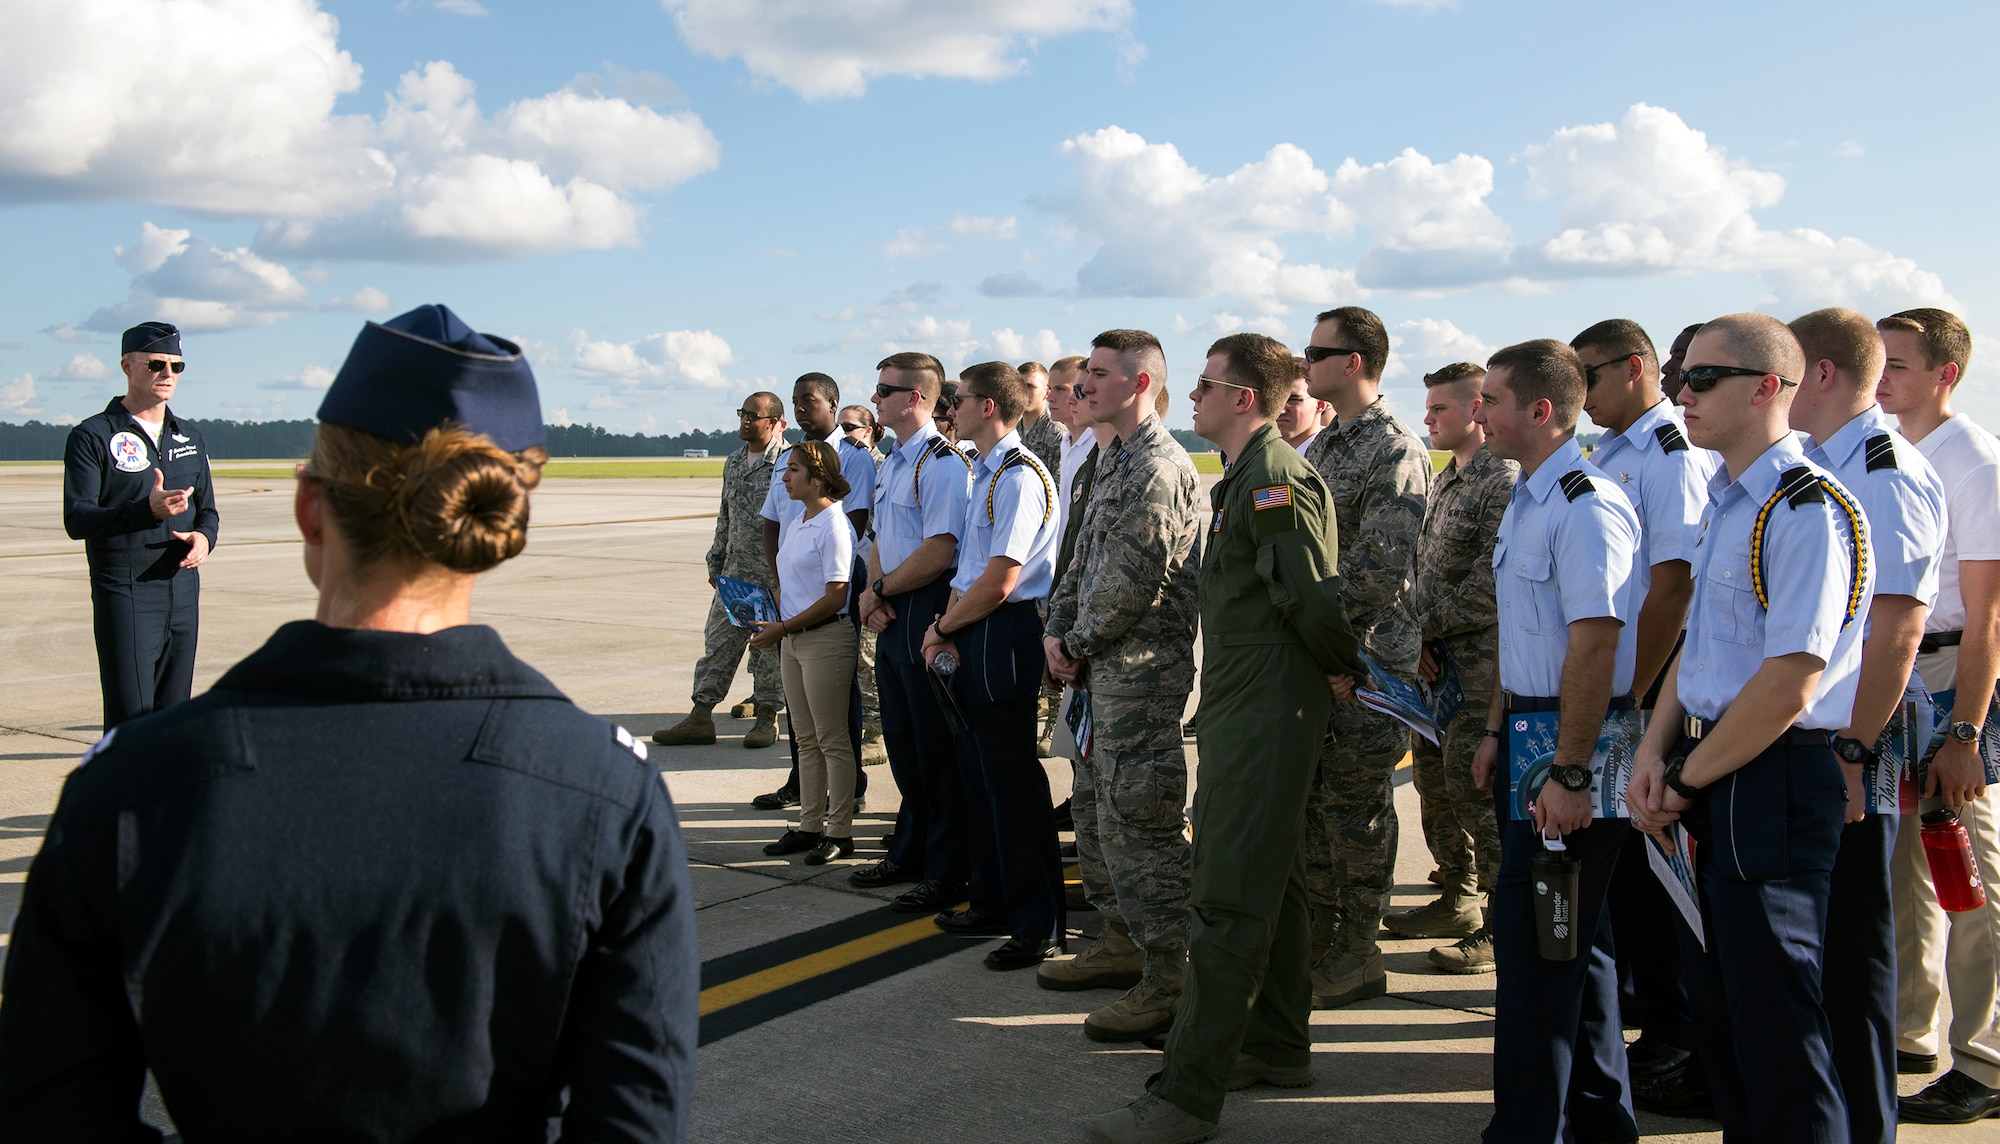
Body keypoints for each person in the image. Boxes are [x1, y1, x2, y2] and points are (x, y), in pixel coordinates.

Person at [0, 304, 698, 1138]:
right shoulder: (607, 793)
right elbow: (636, 1123)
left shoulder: (126, 788)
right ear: (500, 531)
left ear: (309, 508)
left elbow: (49, 1115)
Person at [1084, 333, 1367, 1144]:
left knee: (1228, 899)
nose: (1195, 398)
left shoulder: (1275, 480)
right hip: (1249, 703)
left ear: (1244, 399)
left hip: (1272, 709)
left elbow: (1314, 598)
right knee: (1272, 885)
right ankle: (1277, 1043)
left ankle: (1185, 1093)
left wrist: (1343, 668)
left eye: (1207, 386)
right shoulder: (1247, 477)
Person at [1627, 312, 1874, 1143]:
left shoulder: (1806, 509)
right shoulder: (1731, 501)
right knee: (1723, 1021)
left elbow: (1790, 681)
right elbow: (1698, 650)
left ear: (1768, 388)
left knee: (1778, 1030)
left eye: (1700, 379)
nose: (1680, 395)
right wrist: (1656, 754)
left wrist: (1690, 777)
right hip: (1706, 766)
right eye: (1678, 378)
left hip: (1766, 775)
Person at [1467, 339, 1643, 1144]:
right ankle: (1599, 1119)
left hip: (1575, 735)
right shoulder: (1530, 496)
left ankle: (1531, 1130)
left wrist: (1571, 771)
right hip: (1533, 726)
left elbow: (1595, 643)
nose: (1480, 414)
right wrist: (1499, 729)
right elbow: (1524, 633)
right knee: (1579, 943)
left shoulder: (1584, 502)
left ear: (1540, 412)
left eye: (1492, 401)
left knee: (1539, 950)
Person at [1789, 307, 1947, 1143]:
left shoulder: (1883, 471)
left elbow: (1896, 631)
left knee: (1853, 951)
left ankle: (1863, 1126)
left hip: (1857, 735)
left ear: (1819, 373)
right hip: (1818, 734)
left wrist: (1854, 750)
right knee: (1814, 953)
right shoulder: (1818, 461)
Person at [1570, 318, 1718, 1107]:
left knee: (1661, 868)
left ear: (1635, 368)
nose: (1580, 393)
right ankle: (1656, 1018)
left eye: (1588, 375)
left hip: (1653, 693)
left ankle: (1678, 1031)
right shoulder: (1616, 453)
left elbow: (1672, 586)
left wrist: (1636, 692)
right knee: (1627, 870)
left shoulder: (1670, 454)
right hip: (1625, 691)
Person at [1041, 329, 1202, 1042]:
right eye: (1084, 379)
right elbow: (1077, 562)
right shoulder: (1110, 461)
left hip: (1136, 678)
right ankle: (1120, 940)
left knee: (1142, 826)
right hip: (1094, 672)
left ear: (1139, 384)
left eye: (1098, 377)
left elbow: (1129, 585)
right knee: (1096, 815)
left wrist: (1073, 643)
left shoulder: (1158, 469)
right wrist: (1057, 630)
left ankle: (1173, 977)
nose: (1083, 390)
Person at [1877, 307, 2000, 1124]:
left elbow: (1989, 614)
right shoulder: (1893, 452)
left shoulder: (1973, 460)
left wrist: (1966, 731)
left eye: (1899, 365)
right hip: (1903, 671)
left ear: (1945, 374)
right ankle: (1912, 1030)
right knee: (1906, 866)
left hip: (1957, 669)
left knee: (1973, 873)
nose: (1882, 379)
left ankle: (1985, 1060)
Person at [1300, 305, 1434, 1006]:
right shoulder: (1326, 446)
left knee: (1357, 809)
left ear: (1353, 362)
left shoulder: (1394, 449)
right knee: (1321, 806)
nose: (1304, 365)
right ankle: (1325, 938)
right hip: (1324, 659)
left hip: (1366, 662)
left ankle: (1358, 949)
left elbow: (1378, 570)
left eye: (1315, 353)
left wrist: (1319, 640)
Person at [921, 362, 1065, 970]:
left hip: (1003, 632)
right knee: (978, 776)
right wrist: (944, 630)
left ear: (989, 407)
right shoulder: (985, 470)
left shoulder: (1019, 475)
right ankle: (993, 898)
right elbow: (968, 569)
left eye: (959, 401)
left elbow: (1003, 578)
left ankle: (1037, 923)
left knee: (1010, 782)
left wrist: (941, 627)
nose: (950, 411)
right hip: (969, 627)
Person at [1386, 362, 1514, 974]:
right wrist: (1417, 638)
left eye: (1440, 409)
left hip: (1477, 667)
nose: (1429, 419)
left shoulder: (1502, 479)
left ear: (1476, 411)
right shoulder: (1449, 478)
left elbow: (1492, 582)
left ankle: (1499, 922)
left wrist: (1421, 630)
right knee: (1438, 793)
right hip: (1433, 665)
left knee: (1478, 796)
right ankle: (1457, 897)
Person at [851, 351, 978, 913]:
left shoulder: (941, 463)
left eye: (884, 391)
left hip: (924, 609)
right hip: (892, 609)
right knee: (903, 743)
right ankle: (912, 847)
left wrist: (881, 592)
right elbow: (882, 537)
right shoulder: (893, 461)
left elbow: (941, 548)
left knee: (934, 748)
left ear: (915, 399)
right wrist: (873, 592)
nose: (875, 400)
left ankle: (948, 867)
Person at [62, 321, 219, 730]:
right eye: (156, 364)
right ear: (127, 366)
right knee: (131, 723)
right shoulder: (93, 436)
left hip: (183, 593)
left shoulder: (190, 436)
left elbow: (209, 512)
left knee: (174, 721)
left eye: (176, 366)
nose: (168, 374)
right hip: (127, 592)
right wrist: (144, 511)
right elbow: (78, 519)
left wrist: (204, 539)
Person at [750, 373, 876, 811]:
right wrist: (782, 578)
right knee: (801, 704)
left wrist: (814, 571)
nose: (801, 408)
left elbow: (853, 521)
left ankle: (848, 788)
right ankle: (802, 785)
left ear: (832, 403)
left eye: (810, 400)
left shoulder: (855, 457)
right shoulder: (790, 458)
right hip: (795, 579)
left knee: (837, 695)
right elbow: (770, 523)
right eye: (796, 401)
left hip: (836, 578)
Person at [654, 392, 789, 748]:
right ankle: (700, 717)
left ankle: (767, 719)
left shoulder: (788, 463)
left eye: (753, 416)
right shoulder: (733, 461)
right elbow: (725, 515)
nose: (745, 420)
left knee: (767, 654)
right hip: (734, 574)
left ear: (774, 423)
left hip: (771, 578)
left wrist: (787, 578)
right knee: (717, 646)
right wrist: (715, 559)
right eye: (742, 413)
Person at [756, 440, 862, 866]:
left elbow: (837, 596)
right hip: (794, 639)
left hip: (824, 639)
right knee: (804, 739)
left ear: (817, 478)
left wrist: (783, 625)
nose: (784, 477)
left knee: (832, 739)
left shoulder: (834, 524)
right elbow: (794, 582)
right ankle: (809, 825)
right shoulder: (801, 519)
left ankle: (840, 832)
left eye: (793, 470)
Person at [1019, 360, 1065, 478]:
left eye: (1030, 386)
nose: (1023, 392)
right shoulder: (1011, 432)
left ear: (1046, 393)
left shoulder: (1057, 435)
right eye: (1019, 386)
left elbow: (1058, 489)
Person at [1274, 373, 1331, 454]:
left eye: (1293, 400)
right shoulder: (1262, 454)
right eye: (1275, 400)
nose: (1280, 411)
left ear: (1319, 405)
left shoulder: (1336, 457)